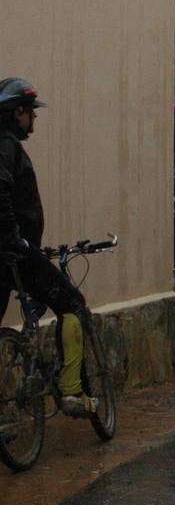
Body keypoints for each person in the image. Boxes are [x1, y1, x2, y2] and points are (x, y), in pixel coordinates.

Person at [0, 79, 98, 415]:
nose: (34, 120)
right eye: (31, 113)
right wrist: (15, 238)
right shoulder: (7, 147)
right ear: (18, 113)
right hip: (15, 255)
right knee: (73, 304)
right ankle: (72, 391)